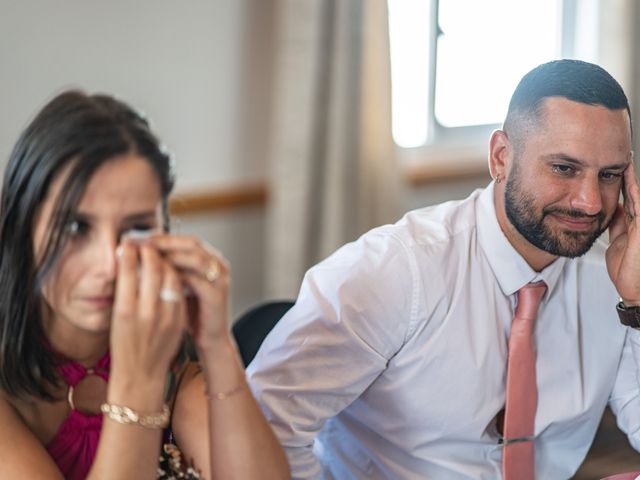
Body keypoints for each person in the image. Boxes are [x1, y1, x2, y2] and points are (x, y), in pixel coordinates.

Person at [247, 59, 640, 479]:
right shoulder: (392, 271)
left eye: (610, 175)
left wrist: (636, 302)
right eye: (564, 168)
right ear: (501, 157)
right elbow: (263, 430)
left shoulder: (613, 281)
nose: (590, 202)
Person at [0, 90, 290, 479]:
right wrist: (138, 385)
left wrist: (217, 345)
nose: (109, 263)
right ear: (22, 230)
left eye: (136, 228)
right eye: (75, 227)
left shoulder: (174, 367)